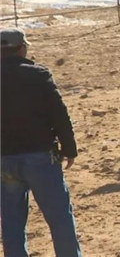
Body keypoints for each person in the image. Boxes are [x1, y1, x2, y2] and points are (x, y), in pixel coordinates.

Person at [1, 28, 82, 257]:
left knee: (12, 223)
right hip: (39, 157)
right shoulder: (38, 74)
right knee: (59, 219)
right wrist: (70, 148)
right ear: (22, 49)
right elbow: (59, 113)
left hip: (4, 159)